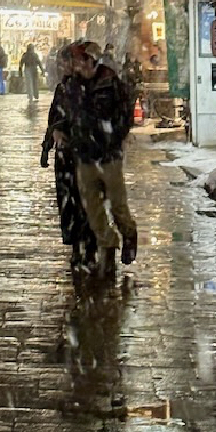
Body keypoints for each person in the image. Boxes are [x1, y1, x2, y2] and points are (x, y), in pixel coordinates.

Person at [60, 41, 138, 277]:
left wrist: (115, 137)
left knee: (118, 205)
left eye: (79, 60)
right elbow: (65, 113)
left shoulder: (110, 83)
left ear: (90, 60)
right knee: (91, 207)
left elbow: (126, 113)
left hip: (108, 157)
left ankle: (129, 234)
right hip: (84, 156)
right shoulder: (72, 86)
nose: (75, 65)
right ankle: (108, 245)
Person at [40, 44, 98, 269]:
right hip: (65, 157)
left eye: (66, 62)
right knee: (68, 204)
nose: (62, 66)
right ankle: (75, 247)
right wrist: (48, 145)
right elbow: (54, 117)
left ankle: (91, 249)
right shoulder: (63, 88)